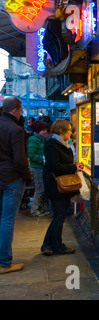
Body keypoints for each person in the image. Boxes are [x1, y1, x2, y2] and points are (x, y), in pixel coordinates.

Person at [41, 120, 84, 256]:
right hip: (56, 185)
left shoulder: (61, 143)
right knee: (59, 216)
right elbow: (55, 166)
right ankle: (58, 246)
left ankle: (47, 245)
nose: (71, 133)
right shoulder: (52, 145)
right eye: (69, 130)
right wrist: (74, 167)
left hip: (58, 184)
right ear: (62, 131)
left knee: (58, 216)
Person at [0, 97, 32, 274]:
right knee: (6, 220)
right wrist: (27, 177)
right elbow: (20, 160)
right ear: (15, 110)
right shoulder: (16, 129)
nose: (21, 114)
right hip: (12, 179)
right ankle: (4, 263)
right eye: (20, 110)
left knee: (1, 219)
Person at [27, 121, 51, 217]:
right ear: (37, 131)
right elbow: (32, 155)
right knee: (40, 188)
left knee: (41, 188)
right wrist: (44, 160)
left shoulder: (42, 139)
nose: (45, 132)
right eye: (43, 130)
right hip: (37, 168)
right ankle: (35, 210)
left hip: (41, 167)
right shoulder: (33, 139)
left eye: (46, 130)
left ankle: (39, 207)